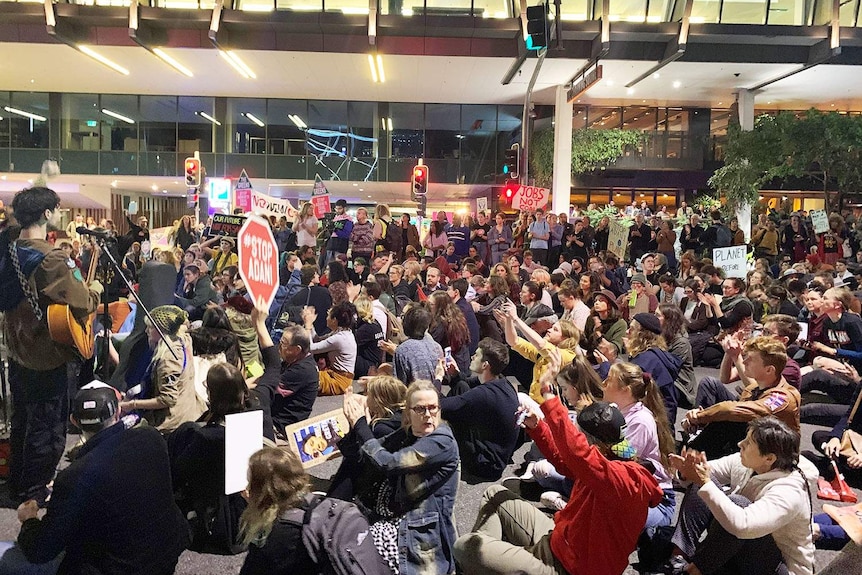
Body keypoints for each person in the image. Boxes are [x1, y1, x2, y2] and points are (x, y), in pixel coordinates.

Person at [454, 352, 663, 575]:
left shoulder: (625, 480)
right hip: (561, 539)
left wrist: (549, 397)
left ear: (596, 443)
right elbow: (566, 463)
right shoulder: (615, 455)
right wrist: (538, 428)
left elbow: (578, 453)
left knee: (464, 547)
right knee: (494, 493)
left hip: (569, 568)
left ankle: (491, 562)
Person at [7, 382, 189, 574]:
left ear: (74, 421)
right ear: (118, 412)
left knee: (6, 557)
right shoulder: (152, 437)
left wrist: (28, 520)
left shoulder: (74, 477)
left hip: (115, 568)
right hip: (165, 556)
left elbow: (41, 551)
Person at [0, 186, 103, 505]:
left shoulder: (8, 248)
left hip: (17, 349)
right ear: (47, 214)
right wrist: (96, 288)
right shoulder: (51, 257)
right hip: (46, 354)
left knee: (23, 420)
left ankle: (16, 481)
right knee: (49, 425)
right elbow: (82, 301)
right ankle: (35, 489)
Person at [169, 302, 282, 553]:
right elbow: (274, 366)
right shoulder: (259, 401)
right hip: (257, 504)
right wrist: (260, 325)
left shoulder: (203, 435)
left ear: (209, 392)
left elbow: (178, 471)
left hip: (223, 523)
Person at [667, 417, 816, 575]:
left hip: (779, 567)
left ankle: (692, 572)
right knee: (703, 478)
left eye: (749, 442)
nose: (740, 444)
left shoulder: (789, 491)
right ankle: (679, 557)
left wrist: (704, 481)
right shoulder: (747, 462)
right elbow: (704, 474)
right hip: (742, 548)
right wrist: (686, 471)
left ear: (769, 458)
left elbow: (743, 525)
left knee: (737, 502)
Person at [342, 379, 460, 575]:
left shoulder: (441, 441)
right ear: (408, 412)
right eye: (420, 409)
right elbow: (364, 452)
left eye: (433, 408)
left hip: (419, 531)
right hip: (395, 514)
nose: (428, 415)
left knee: (354, 551)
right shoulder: (411, 432)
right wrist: (353, 422)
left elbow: (387, 462)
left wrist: (361, 424)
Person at [238, 447, 389, 575]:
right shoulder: (321, 503)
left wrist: (255, 507)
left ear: (263, 490)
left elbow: (253, 567)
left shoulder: (280, 533)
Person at [683, 336, 801, 459]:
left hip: (778, 458)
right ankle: (692, 457)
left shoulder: (784, 398)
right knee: (724, 420)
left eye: (750, 360)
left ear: (769, 370)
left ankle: (691, 459)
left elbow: (732, 410)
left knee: (727, 418)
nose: (744, 362)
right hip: (755, 444)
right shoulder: (753, 388)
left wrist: (699, 417)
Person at [440, 338, 520, 480]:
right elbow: (465, 383)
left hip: (485, 465)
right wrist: (455, 374)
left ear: (485, 365)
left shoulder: (483, 394)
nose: (472, 357)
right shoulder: (502, 381)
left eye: (476, 355)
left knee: (442, 415)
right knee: (461, 386)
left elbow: (442, 406)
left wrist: (437, 379)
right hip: (498, 457)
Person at [120, 305, 204, 434]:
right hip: (190, 409)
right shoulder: (185, 340)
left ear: (162, 331)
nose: (147, 331)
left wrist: (133, 404)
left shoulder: (168, 360)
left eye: (151, 327)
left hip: (173, 423)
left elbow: (168, 399)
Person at [497, 300, 579, 403]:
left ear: (566, 338)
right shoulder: (542, 354)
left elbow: (541, 345)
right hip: (535, 402)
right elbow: (513, 341)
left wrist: (516, 319)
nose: (549, 330)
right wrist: (509, 320)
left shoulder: (568, 355)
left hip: (550, 406)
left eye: (555, 330)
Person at [302, 301, 357, 396]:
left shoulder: (340, 338)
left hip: (339, 381)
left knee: (305, 375)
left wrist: (308, 325)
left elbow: (310, 348)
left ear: (334, 320)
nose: (326, 318)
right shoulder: (342, 333)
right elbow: (317, 340)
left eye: (328, 316)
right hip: (334, 375)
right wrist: (311, 325)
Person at [390, 304, 444, 386]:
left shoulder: (402, 350)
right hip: (435, 394)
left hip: (414, 396)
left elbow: (400, 385)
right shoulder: (437, 346)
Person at [657, 303, 698, 407]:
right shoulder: (660, 335)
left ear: (668, 320)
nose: (654, 318)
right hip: (668, 381)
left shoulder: (681, 342)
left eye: (658, 315)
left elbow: (669, 367)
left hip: (681, 387)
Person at [322, 198, 353, 268]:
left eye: (340, 209)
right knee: (328, 267)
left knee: (340, 267)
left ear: (344, 208)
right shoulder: (333, 218)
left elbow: (346, 235)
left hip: (341, 246)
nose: (337, 211)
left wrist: (335, 229)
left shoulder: (348, 220)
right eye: (336, 209)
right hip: (331, 245)